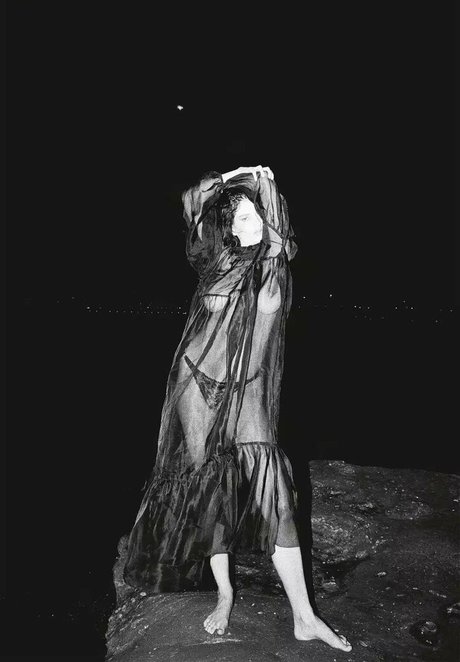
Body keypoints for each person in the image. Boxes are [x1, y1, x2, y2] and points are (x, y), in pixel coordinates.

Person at [123, 165, 351, 652]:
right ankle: (224, 594)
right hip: (195, 383)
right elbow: (193, 198)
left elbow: (277, 221)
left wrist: (263, 182)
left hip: (248, 392)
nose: (251, 225)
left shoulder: (275, 261)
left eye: (257, 217)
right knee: (209, 487)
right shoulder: (215, 258)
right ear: (228, 224)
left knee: (278, 499)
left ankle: (305, 617)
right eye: (242, 218)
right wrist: (238, 174)